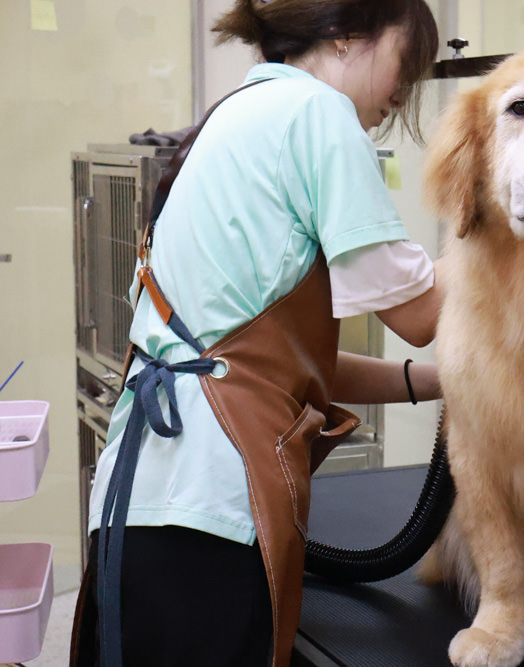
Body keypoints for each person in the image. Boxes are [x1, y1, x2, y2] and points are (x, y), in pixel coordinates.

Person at [70, 2, 442, 666]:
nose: (402, 94)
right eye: (405, 64)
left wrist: (433, 383)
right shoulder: (321, 116)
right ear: (348, 32)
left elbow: (255, 355)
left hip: (134, 506)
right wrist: (518, 239)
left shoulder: (230, 119)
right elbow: (418, 315)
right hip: (211, 508)